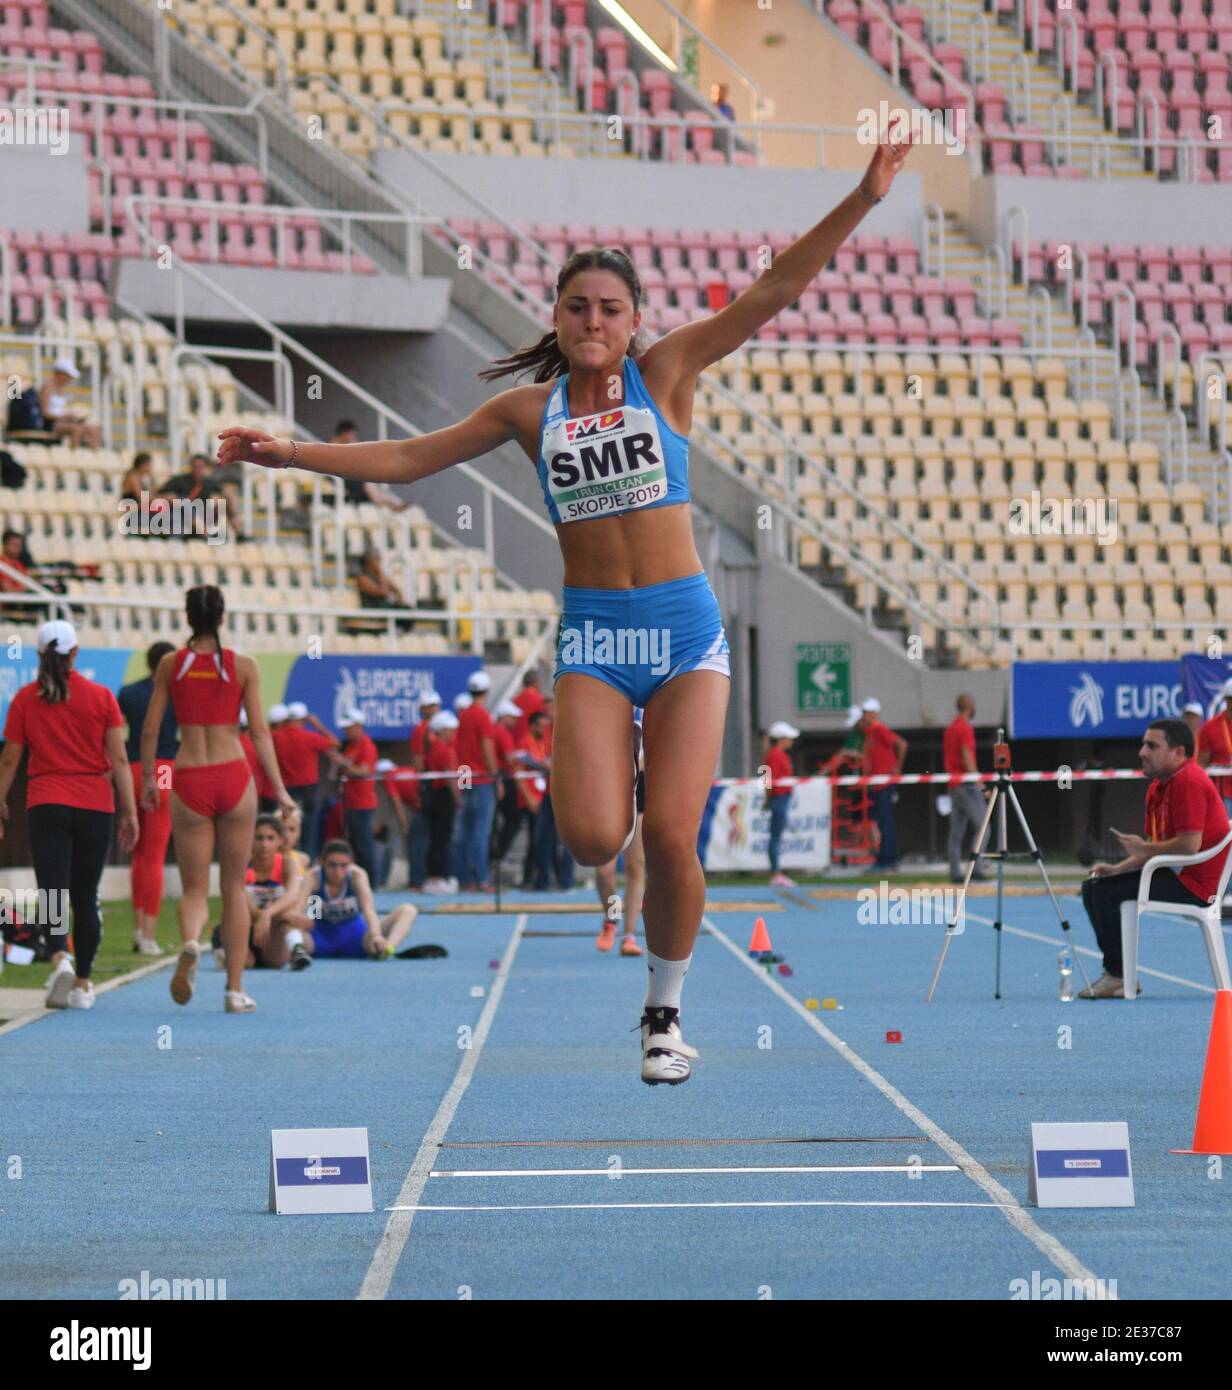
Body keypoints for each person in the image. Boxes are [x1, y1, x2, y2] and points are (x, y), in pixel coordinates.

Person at [216, 130, 912, 1083]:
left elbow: (772, 292)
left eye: (611, 308)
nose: (593, 319)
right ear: (556, 313)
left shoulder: (665, 375)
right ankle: (616, 784)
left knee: (671, 835)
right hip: (592, 635)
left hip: (683, 632)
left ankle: (662, 1014)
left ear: (634, 322)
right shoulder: (528, 413)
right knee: (591, 834)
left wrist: (864, 194)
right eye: (578, 305)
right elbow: (410, 458)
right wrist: (288, 453)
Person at [141, 585, 294, 1014]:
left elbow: (151, 730)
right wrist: (280, 790)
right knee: (232, 885)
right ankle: (234, 990)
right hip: (233, 775)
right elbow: (261, 733)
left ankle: (191, 943)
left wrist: (153, 779)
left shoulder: (171, 665)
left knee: (193, 888)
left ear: (188, 618)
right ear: (222, 617)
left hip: (189, 775)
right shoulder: (243, 666)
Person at [0, 620, 139, 1009]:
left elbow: (10, 757)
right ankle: (82, 982)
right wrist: (130, 812)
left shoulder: (26, 698)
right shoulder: (101, 697)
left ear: (39, 656)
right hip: (95, 804)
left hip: (47, 803)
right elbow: (120, 759)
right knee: (85, 896)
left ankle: (60, 955)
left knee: (53, 892)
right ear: (76, 653)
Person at [1079, 718, 1231, 998]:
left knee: (1104, 894)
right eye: (1143, 744)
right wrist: (1117, 868)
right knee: (1096, 886)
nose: (1142, 752)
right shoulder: (1158, 787)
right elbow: (1151, 848)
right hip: (1173, 873)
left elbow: (1189, 845)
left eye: (1152, 745)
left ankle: (1118, 976)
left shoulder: (1189, 781)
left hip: (1196, 885)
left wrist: (1144, 851)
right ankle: (1119, 974)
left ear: (1179, 753)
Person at [118, 640, 178, 954]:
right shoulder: (177, 693)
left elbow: (116, 731)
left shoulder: (128, 693)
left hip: (133, 767)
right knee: (154, 855)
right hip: (164, 766)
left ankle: (139, 928)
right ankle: (148, 934)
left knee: (138, 854)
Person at [212, 813, 311, 971]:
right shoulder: (240, 865)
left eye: (270, 838)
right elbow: (238, 898)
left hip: (272, 930)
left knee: (276, 962)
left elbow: (292, 896)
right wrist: (265, 914)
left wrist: (269, 913)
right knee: (246, 965)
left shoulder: (288, 864)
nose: (264, 844)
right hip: (245, 926)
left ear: (280, 841)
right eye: (259, 838)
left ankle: (297, 950)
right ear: (250, 839)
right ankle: (221, 941)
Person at [298, 839, 417, 959]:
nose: (338, 872)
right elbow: (298, 909)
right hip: (318, 939)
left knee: (408, 910)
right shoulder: (313, 877)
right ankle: (294, 952)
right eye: (332, 865)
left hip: (357, 939)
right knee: (286, 924)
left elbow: (369, 910)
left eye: (344, 866)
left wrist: (376, 935)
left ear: (351, 863)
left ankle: (387, 949)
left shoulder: (357, 876)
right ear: (322, 863)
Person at [595, 709, 646, 955]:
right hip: (612, 787)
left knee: (635, 866)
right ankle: (612, 917)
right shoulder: (613, 698)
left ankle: (630, 936)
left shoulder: (652, 701)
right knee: (604, 870)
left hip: (641, 787)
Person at [272, 700, 339, 858]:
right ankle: (307, 859)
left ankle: (284, 857)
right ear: (303, 719)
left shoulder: (277, 736)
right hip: (308, 788)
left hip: (287, 787)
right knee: (310, 827)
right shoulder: (310, 737)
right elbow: (336, 742)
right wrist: (318, 726)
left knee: (286, 825)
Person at [454, 670, 499, 892]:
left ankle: (466, 879)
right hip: (481, 779)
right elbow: (486, 748)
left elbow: (460, 751)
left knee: (466, 832)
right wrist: (495, 776)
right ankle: (482, 878)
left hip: (466, 776)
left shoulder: (464, 715)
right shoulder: (482, 715)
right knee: (481, 832)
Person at [943, 692, 988, 884]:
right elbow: (966, 755)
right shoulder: (964, 728)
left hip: (954, 785)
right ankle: (976, 869)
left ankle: (955, 872)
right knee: (984, 827)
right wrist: (979, 782)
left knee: (956, 832)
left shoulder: (950, 728)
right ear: (970, 706)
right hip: (967, 785)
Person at [860, 697, 907, 872]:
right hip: (878, 783)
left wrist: (896, 768)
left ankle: (888, 859)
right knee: (882, 822)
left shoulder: (879, 729)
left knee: (885, 822)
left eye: (868, 713)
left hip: (884, 783)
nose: (865, 716)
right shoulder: (870, 732)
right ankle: (885, 857)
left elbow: (901, 744)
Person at [335, 707, 379, 882]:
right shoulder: (352, 745)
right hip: (351, 800)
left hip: (363, 802)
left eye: (349, 727)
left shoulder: (366, 745)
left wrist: (343, 764)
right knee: (354, 843)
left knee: (364, 844)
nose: (346, 730)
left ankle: (373, 881)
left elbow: (364, 771)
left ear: (359, 725)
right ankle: (358, 880)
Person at [332, 420, 409, 512]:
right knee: (367, 484)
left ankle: (389, 501)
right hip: (340, 478)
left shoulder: (349, 444)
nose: (353, 437)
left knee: (370, 481)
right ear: (344, 433)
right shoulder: (334, 446)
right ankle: (384, 502)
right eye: (351, 434)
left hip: (351, 476)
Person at [423, 709, 461, 893]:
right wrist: (458, 797)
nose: (453, 734)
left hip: (439, 794)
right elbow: (450, 777)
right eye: (450, 730)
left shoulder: (439, 746)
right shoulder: (441, 748)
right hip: (442, 796)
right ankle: (436, 877)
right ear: (442, 730)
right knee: (441, 837)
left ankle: (438, 875)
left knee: (440, 837)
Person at [405, 689, 440, 889]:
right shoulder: (421, 730)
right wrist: (421, 789)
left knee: (433, 834)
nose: (433, 710)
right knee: (419, 834)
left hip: (436, 787)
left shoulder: (437, 728)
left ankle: (429, 877)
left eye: (435, 706)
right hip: (427, 787)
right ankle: (417, 879)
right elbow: (418, 760)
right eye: (430, 707)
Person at [490, 699, 524, 870]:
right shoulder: (502, 732)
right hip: (502, 778)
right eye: (512, 717)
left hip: (495, 778)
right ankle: (496, 856)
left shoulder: (494, 730)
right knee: (514, 819)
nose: (515, 721)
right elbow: (510, 758)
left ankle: (492, 857)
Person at [764, 720, 798, 888]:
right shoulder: (776, 755)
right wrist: (768, 798)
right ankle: (776, 873)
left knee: (776, 836)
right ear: (780, 739)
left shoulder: (778, 754)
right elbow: (769, 778)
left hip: (780, 797)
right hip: (779, 798)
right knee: (775, 836)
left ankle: (776, 872)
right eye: (788, 738)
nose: (791, 741)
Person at [39, 357, 101, 449]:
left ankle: (94, 457)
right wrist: (65, 416)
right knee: (77, 429)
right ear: (61, 374)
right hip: (50, 424)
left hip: (62, 421)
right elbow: (44, 413)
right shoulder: (47, 388)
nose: (70, 379)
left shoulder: (61, 389)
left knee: (95, 430)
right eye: (68, 376)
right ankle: (74, 456)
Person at [1195, 681, 1232, 816]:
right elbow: (1202, 763)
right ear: (1227, 701)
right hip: (1223, 794)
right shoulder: (1210, 728)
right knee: (1226, 835)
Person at [512, 669, 546, 741]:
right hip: (532, 740)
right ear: (535, 682)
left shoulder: (516, 698)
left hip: (517, 739)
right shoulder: (539, 699)